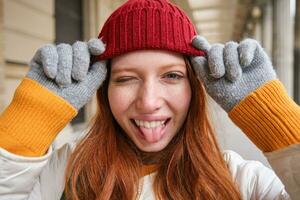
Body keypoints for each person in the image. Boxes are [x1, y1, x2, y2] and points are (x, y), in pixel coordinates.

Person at [0, 0, 299, 199]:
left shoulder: (243, 182)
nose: (148, 102)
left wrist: (274, 118)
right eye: (126, 78)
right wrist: (32, 113)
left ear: (196, 87)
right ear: (103, 88)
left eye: (171, 76)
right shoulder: (66, 172)